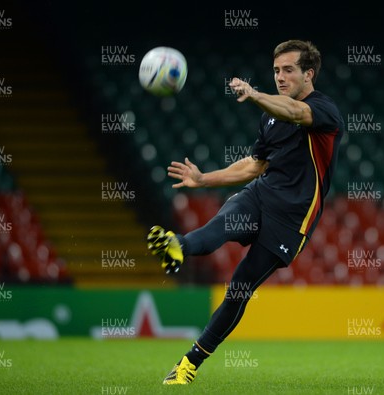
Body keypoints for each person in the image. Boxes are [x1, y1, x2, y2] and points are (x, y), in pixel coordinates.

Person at [147, 39, 344, 385]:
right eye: (276, 71)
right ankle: (179, 245)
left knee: (239, 288)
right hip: (260, 195)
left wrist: (253, 95)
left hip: (291, 220)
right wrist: (203, 179)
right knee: (219, 228)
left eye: (288, 70)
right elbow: (254, 166)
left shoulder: (324, 110)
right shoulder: (270, 119)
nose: (280, 77)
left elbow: (296, 113)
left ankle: (188, 364)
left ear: (309, 74)